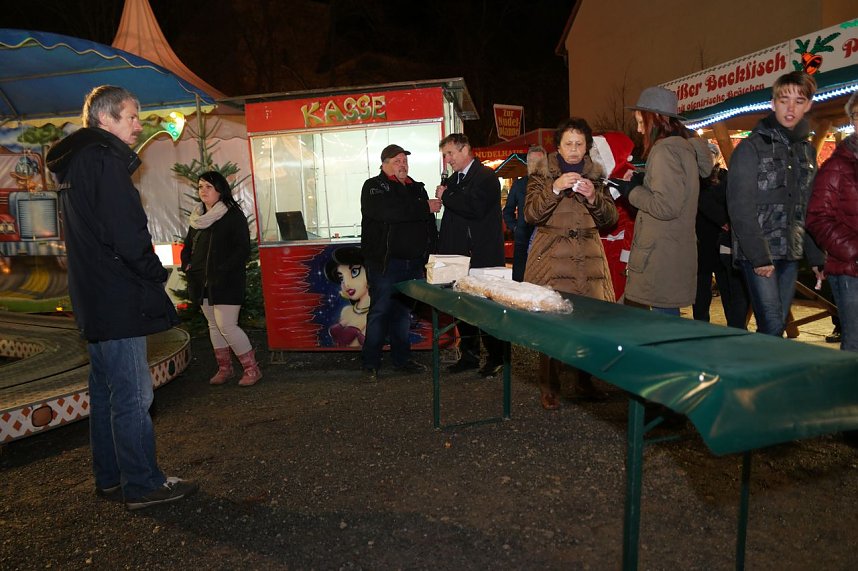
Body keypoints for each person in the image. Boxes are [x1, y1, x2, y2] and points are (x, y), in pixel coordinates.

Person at [46, 85, 197, 510]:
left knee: (105, 392)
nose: (138, 125)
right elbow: (127, 233)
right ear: (105, 119)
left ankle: (111, 477)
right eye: (131, 117)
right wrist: (155, 272)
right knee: (133, 395)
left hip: (93, 295)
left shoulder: (76, 162)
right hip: (117, 296)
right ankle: (143, 484)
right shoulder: (104, 160)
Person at [524, 117, 617, 410]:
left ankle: (584, 381)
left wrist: (593, 198)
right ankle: (549, 386)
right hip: (552, 258)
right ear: (559, 147)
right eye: (569, 144)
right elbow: (531, 214)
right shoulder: (541, 174)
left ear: (587, 147)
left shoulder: (597, 177)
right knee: (552, 323)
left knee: (587, 322)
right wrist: (553, 189)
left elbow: (610, 219)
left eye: (580, 144)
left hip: (588, 259)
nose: (575, 149)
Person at [726, 71, 825, 336]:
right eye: (784, 100)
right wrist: (758, 256)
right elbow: (739, 207)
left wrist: (816, 256)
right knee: (771, 323)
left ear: (808, 105)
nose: (790, 108)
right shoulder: (751, 148)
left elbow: (808, 207)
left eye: (798, 101)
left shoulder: (807, 151)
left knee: (777, 325)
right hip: (758, 253)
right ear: (773, 103)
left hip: (790, 251)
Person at [610, 87, 713, 315]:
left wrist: (631, 190)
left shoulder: (664, 151)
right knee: (664, 318)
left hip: (660, 255)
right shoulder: (681, 148)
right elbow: (673, 192)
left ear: (656, 118)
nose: (639, 129)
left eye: (641, 122)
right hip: (671, 250)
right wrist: (642, 179)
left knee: (662, 323)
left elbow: (665, 206)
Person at [360, 144, 440, 380]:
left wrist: (431, 254)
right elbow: (389, 212)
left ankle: (402, 360)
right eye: (397, 161)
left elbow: (428, 226)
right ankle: (370, 364)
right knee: (380, 312)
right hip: (386, 264)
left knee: (403, 314)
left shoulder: (416, 187)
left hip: (413, 264)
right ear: (384, 164)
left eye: (405, 160)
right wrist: (424, 207)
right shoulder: (374, 186)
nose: (403, 164)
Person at [436, 133, 507, 377]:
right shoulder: (453, 180)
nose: (447, 159)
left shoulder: (486, 177)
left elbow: (474, 208)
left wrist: (447, 196)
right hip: (459, 259)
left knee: (486, 308)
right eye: (445, 155)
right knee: (463, 308)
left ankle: (497, 357)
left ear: (465, 149)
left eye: (450, 153)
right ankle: (470, 355)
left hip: (483, 257)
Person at [180, 170, 260, 386]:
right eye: (200, 186)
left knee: (227, 326)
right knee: (214, 326)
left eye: (209, 186)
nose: (203, 191)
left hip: (227, 281)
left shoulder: (233, 215)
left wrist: (223, 270)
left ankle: (252, 369)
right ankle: (225, 368)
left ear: (220, 190)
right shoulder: (197, 218)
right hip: (201, 281)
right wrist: (187, 264)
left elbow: (242, 249)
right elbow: (187, 246)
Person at [806, 90, 858, 352]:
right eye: (857, 115)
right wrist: (853, 250)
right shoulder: (837, 166)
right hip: (850, 271)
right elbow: (817, 217)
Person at [693, 143, 749, 328]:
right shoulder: (696, 179)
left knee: (729, 290)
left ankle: (735, 328)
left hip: (723, 241)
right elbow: (702, 202)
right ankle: (701, 327)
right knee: (701, 292)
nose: (709, 157)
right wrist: (723, 220)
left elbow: (735, 200)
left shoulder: (726, 176)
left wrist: (729, 222)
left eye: (712, 153)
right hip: (702, 241)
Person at [590, 132, 636, 301]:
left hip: (618, 247)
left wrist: (627, 252)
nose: (593, 157)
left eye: (598, 153)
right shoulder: (600, 178)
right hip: (599, 245)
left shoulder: (626, 178)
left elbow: (632, 219)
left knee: (618, 292)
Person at [503, 145, 544, 282]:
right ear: (528, 162)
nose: (536, 165)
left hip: (545, 241)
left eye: (539, 161)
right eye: (532, 161)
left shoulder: (552, 185)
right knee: (520, 281)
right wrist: (516, 227)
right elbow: (507, 211)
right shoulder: (519, 185)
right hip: (523, 241)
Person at [324, 246, 370, 348]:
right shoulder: (346, 310)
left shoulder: (378, 313)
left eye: (354, 272)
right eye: (341, 278)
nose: (346, 284)